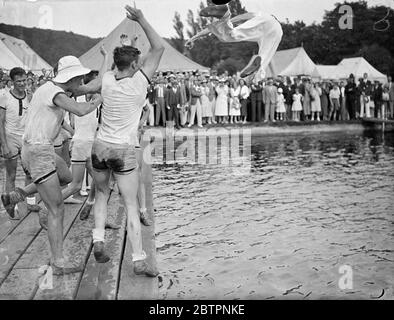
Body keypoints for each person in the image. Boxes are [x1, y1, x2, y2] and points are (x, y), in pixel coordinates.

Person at [1, 55, 104, 275]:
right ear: (70, 77)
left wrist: (107, 66)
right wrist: (99, 99)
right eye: (79, 78)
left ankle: (15, 195)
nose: (82, 82)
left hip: (39, 148)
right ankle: (58, 263)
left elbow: (94, 84)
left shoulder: (58, 87)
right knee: (56, 209)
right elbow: (81, 110)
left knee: (66, 176)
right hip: (38, 150)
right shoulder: (54, 92)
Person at [87, 5, 164, 277]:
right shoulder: (140, 82)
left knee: (101, 195)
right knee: (131, 205)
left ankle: (98, 239)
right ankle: (139, 259)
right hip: (123, 149)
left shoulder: (106, 79)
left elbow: (90, 85)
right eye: (138, 62)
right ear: (134, 64)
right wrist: (141, 18)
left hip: (99, 147)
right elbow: (159, 48)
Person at [187, 1, 283, 82]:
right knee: (264, 55)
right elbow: (271, 59)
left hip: (266, 21)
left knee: (231, 35)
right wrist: (275, 76)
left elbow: (241, 17)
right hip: (278, 31)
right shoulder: (273, 26)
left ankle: (226, 15)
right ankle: (259, 69)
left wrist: (194, 38)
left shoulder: (262, 15)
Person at [0, 67, 35, 219]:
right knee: (11, 174)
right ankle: (10, 206)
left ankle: (30, 201)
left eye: (24, 80)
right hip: (10, 137)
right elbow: (0, 121)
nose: (22, 84)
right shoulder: (4, 96)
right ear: (12, 82)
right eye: (18, 81)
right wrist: (4, 144)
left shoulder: (30, 95)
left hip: (26, 138)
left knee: (30, 172)